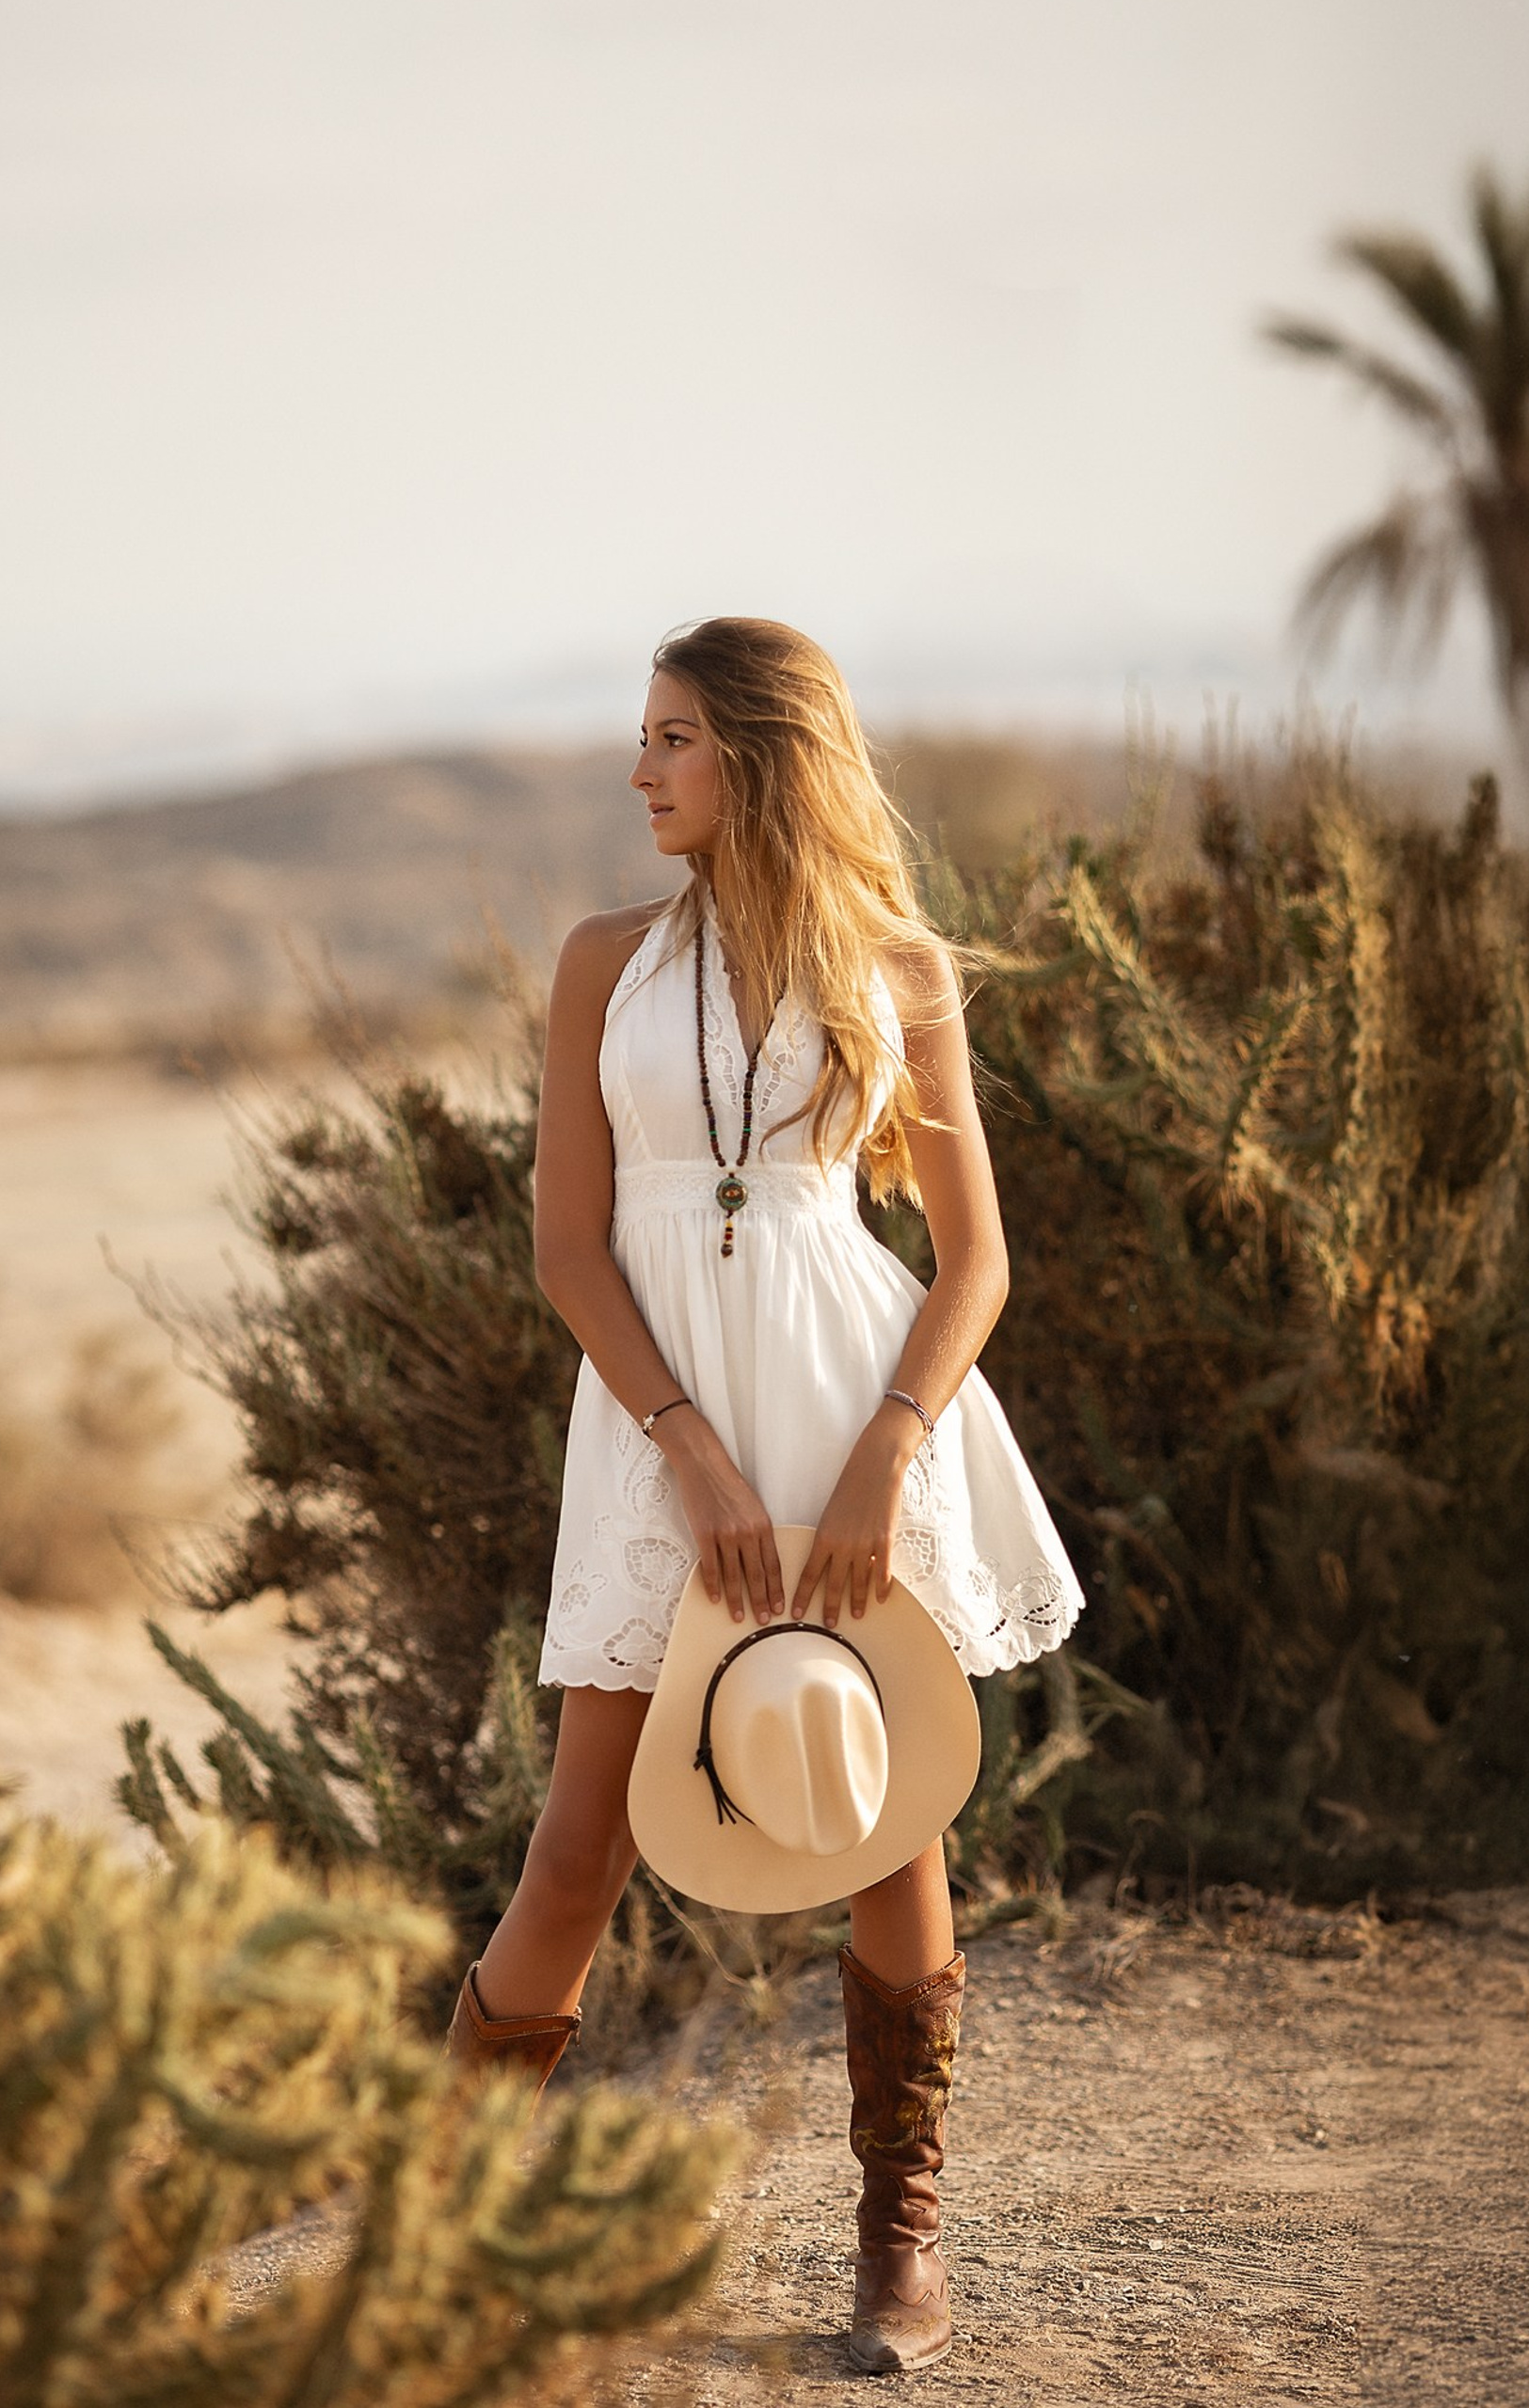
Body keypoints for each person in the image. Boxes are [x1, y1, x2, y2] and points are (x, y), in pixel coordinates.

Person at [442, 616, 1084, 2375]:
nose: (638, 768)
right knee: (580, 1841)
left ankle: (901, 2244)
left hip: (852, 1398)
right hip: (661, 1431)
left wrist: (890, 1447)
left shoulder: (899, 971)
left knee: (883, 1818)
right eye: (639, 736)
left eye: (672, 738)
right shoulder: (602, 964)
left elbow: (973, 1265)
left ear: (760, 754)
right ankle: (448, 2231)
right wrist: (689, 1448)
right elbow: (571, 1252)